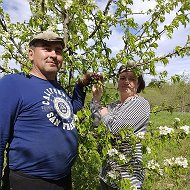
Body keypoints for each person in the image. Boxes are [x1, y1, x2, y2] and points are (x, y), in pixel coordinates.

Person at [0, 30, 96, 190]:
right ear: (31, 54)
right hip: (28, 182)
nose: (53, 54)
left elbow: (71, 111)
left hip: (63, 180)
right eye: (46, 48)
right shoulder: (14, 84)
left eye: (58, 51)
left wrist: (80, 85)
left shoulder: (59, 90)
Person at [90, 65, 150, 189]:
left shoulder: (140, 103)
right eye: (122, 78)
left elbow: (116, 128)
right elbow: (95, 126)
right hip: (107, 176)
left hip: (127, 179)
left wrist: (104, 114)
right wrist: (96, 99)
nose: (126, 82)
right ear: (117, 82)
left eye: (132, 79)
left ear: (138, 85)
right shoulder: (113, 106)